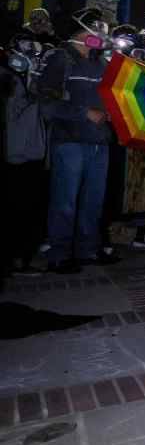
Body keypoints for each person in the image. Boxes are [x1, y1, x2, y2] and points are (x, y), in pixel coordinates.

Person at [37, 8, 115, 273]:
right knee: (65, 201)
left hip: (99, 142)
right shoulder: (61, 59)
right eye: (98, 29)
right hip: (69, 141)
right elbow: (47, 104)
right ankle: (59, 254)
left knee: (94, 200)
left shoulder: (100, 62)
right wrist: (84, 113)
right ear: (83, 32)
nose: (102, 35)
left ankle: (88, 250)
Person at [1, 32, 49, 277]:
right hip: (13, 153)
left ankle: (23, 256)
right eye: (25, 45)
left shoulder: (28, 76)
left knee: (29, 207)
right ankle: (14, 259)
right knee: (14, 208)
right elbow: (13, 111)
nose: (30, 50)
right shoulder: (6, 77)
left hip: (31, 153)